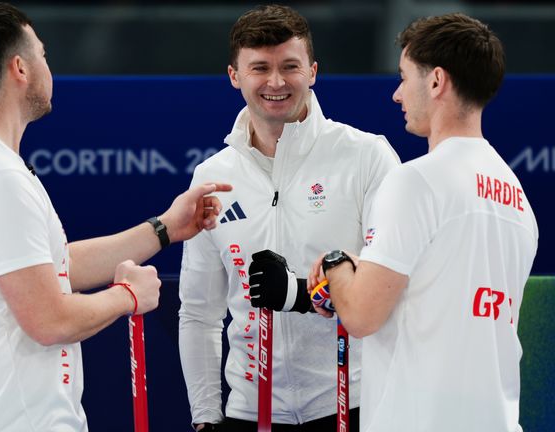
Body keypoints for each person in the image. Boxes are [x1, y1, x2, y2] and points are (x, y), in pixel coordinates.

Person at [0, 3, 230, 431]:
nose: (49, 66)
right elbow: (49, 320)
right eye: (42, 54)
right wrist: (128, 295)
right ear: (19, 69)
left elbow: (44, 268)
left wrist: (163, 229)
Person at [307, 13, 538, 432]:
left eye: (403, 76)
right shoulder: (518, 197)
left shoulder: (415, 181)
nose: (397, 94)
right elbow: (440, 291)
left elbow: (360, 315)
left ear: (435, 82)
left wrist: (337, 263)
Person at [178, 5, 400, 431]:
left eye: (290, 67)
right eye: (259, 68)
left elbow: (386, 287)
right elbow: (199, 312)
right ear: (234, 76)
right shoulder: (212, 177)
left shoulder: (367, 156)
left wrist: (300, 292)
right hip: (250, 409)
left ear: (313, 71)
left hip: (351, 401)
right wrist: (205, 416)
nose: (276, 82)